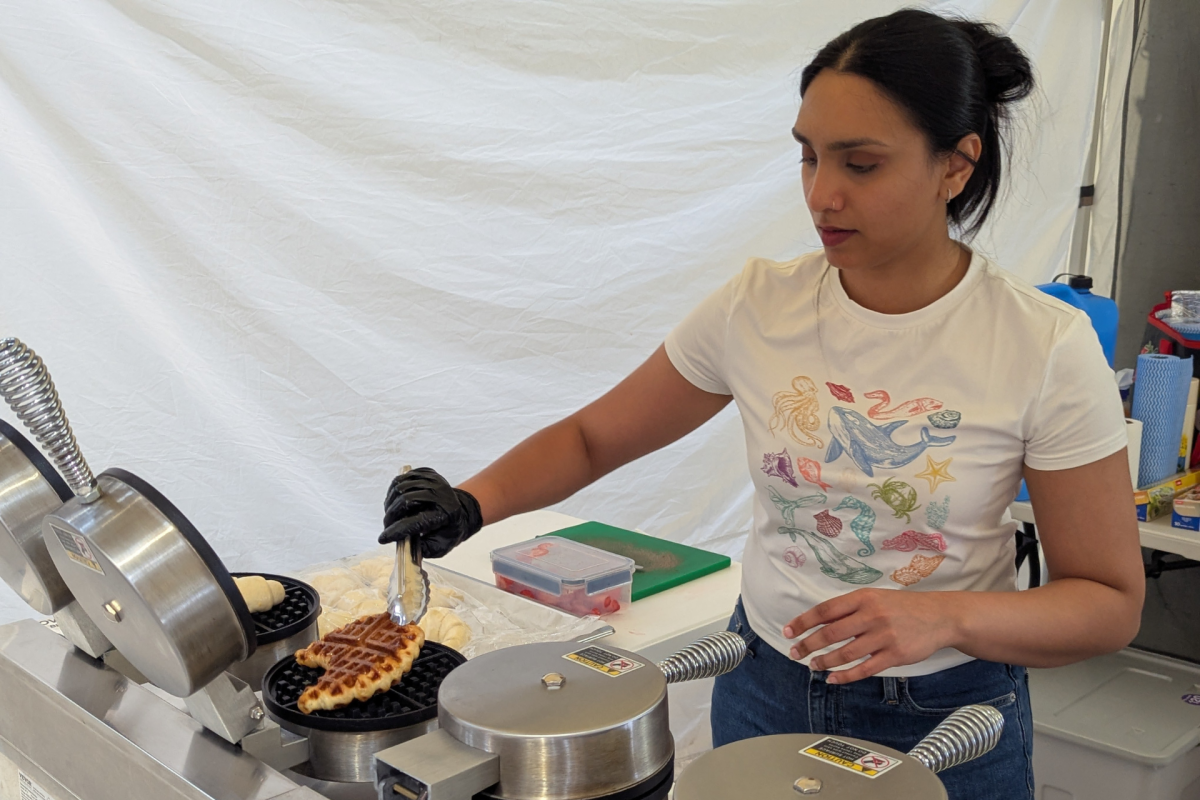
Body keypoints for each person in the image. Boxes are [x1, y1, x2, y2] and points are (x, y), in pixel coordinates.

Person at [378, 10, 1144, 800]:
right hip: (764, 685)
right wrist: (472, 502)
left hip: (943, 711)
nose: (822, 193)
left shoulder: (1040, 344)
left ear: (956, 165)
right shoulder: (759, 305)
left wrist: (943, 617)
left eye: (862, 164)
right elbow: (592, 438)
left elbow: (1108, 602)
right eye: (809, 157)